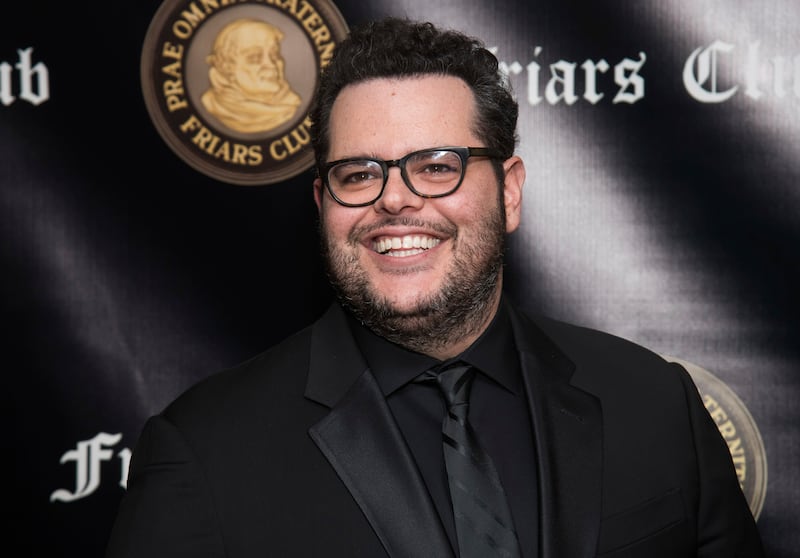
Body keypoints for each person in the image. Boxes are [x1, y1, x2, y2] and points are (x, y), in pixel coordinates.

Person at [105, 16, 765, 558]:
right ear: (322, 202)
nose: (395, 199)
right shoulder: (207, 451)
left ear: (509, 193)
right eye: (359, 174)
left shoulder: (655, 404)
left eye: (436, 166)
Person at [201, 18, 301, 133]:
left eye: (275, 54)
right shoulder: (212, 104)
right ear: (227, 68)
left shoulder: (292, 103)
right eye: (254, 57)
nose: (271, 64)